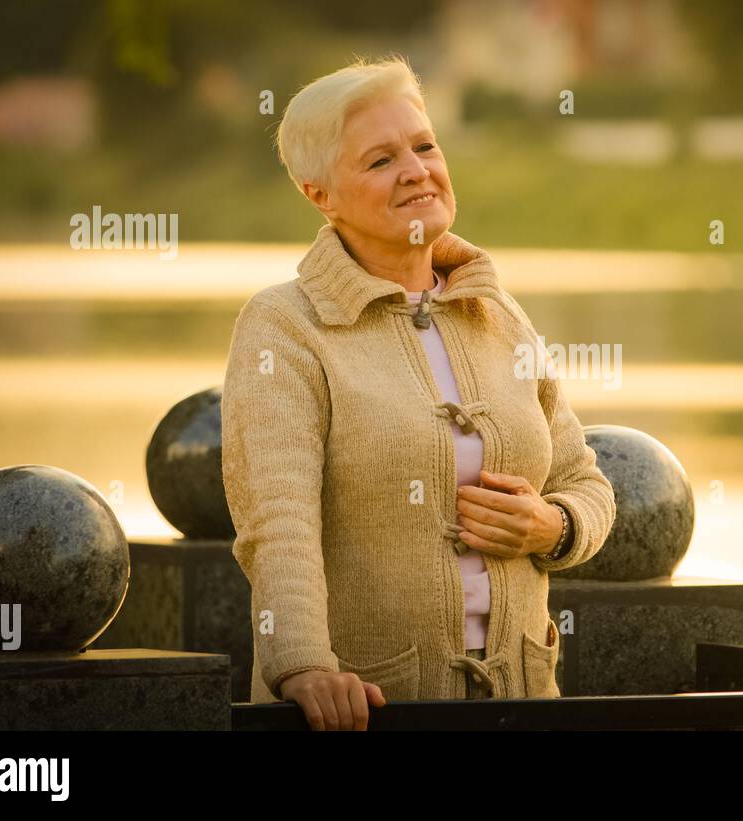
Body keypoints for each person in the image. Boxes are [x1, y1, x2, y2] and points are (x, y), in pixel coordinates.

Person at [221, 55, 616, 731]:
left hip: (524, 703)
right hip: (363, 713)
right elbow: (278, 522)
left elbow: (587, 482)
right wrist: (303, 665)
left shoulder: (498, 313)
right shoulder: (286, 325)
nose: (416, 170)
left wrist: (553, 527)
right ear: (320, 194)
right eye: (379, 160)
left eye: (425, 146)